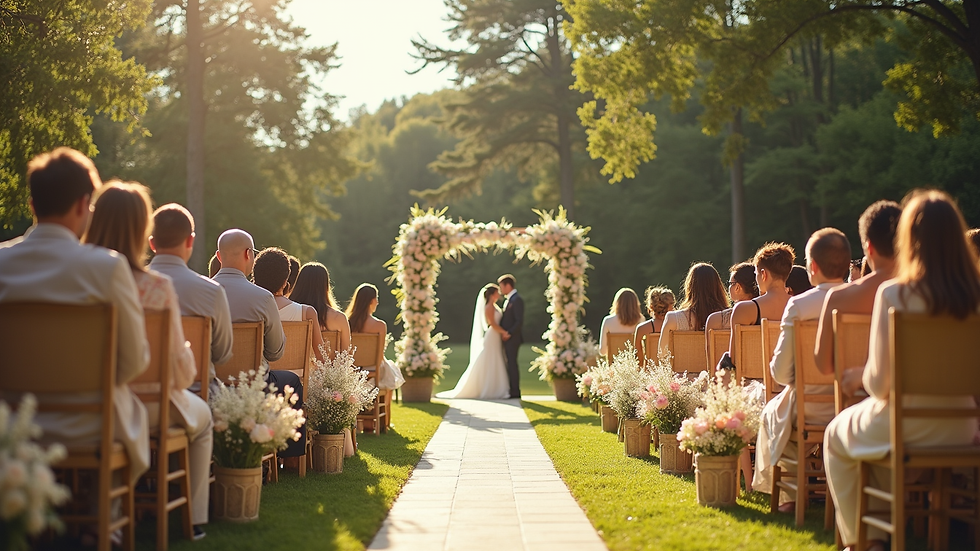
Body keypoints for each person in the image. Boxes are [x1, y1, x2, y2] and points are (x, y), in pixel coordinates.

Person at [825, 190, 980, 551]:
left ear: (909, 239)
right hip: (964, 425)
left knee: (836, 434)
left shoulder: (896, 295)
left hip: (905, 424)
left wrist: (857, 376)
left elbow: (879, 385)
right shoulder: (975, 297)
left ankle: (864, 542)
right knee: (873, 440)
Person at [0, 148, 151, 489]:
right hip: (89, 421)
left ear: (33, 205)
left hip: (10, 422)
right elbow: (134, 359)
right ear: (84, 205)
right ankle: (103, 522)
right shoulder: (107, 267)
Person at [84, 183, 212, 539]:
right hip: (148, 403)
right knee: (202, 421)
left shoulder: (79, 279)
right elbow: (181, 371)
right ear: (144, 231)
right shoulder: (155, 288)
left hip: (85, 400)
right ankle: (195, 517)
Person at [752, 228, 850, 507]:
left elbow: (781, 373)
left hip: (810, 405)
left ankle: (789, 496)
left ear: (812, 266)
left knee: (775, 413)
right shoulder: (864, 300)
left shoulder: (800, 305)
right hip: (852, 402)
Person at [212, 229, 306, 459]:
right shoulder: (262, 297)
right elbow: (275, 352)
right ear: (248, 255)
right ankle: (290, 457)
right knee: (291, 380)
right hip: (254, 387)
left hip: (212, 385)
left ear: (218, 256)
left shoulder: (202, 291)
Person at [148, 203, 233, 397]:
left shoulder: (129, 286)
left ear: (152, 243)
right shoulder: (212, 292)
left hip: (140, 399)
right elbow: (222, 355)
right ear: (190, 241)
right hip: (197, 394)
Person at [814, 201, 901, 383]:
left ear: (868, 248)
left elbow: (824, 365)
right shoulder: (929, 294)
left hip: (860, 394)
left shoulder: (838, 298)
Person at [436, 283, 510, 400]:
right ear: (492, 294)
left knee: (495, 359)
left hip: (495, 336)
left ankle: (496, 388)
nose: (499, 294)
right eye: (497, 292)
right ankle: (488, 388)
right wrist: (503, 332)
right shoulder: (489, 307)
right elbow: (492, 323)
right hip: (492, 335)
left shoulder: (494, 306)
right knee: (489, 359)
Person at [252, 247, 324, 363]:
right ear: (286, 281)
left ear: (255, 278)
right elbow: (321, 357)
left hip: (260, 378)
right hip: (296, 378)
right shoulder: (307, 313)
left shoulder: (248, 309)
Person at [657, 263, 729, 359]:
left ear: (689, 286)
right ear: (718, 286)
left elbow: (662, 355)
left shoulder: (673, 319)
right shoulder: (729, 318)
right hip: (718, 373)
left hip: (683, 373)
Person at [290, 262, 351, 357]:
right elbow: (346, 356)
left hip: (292, 371)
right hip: (325, 371)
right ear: (326, 287)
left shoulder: (289, 314)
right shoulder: (339, 318)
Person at [705, 262, 760, 332]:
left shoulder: (715, 321)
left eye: (731, 283)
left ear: (737, 287)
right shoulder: (768, 317)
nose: (729, 287)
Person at [498, 274, 524, 399]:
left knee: (512, 363)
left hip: (513, 339)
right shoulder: (510, 299)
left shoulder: (517, 300)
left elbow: (519, 320)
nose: (500, 289)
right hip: (509, 338)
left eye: (501, 286)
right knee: (509, 363)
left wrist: (509, 333)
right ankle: (511, 389)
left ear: (508, 285)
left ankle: (515, 391)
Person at [598, 288, 645, 358]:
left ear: (617, 303)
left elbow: (602, 351)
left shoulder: (608, 321)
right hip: (635, 364)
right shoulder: (641, 320)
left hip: (615, 366)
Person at [633, 286, 675, 361]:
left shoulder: (641, 329)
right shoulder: (677, 326)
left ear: (651, 307)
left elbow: (638, 360)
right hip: (672, 371)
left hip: (650, 371)